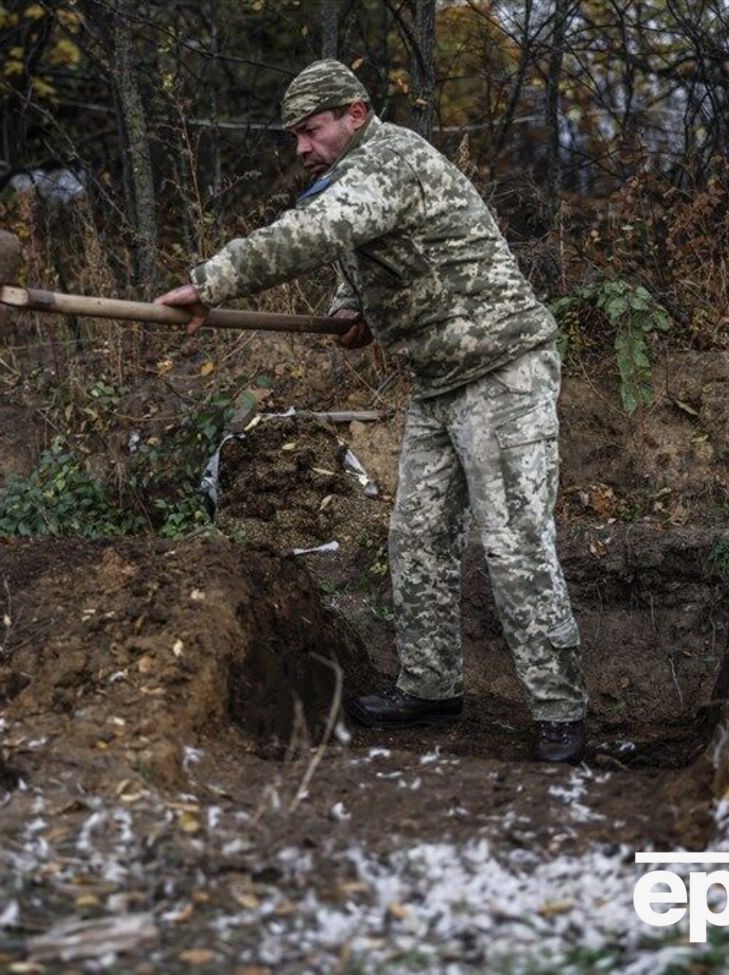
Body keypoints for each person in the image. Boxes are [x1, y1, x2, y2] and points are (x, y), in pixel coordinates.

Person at [154, 59, 587, 763]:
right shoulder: (355, 177)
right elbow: (359, 255)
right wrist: (349, 307)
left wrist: (212, 281)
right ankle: (429, 686)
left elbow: (316, 231)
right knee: (415, 537)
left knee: (514, 542)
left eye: (310, 129)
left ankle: (561, 710)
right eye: (295, 134)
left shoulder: (393, 160)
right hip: (438, 379)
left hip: (502, 367)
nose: (300, 146)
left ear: (354, 113)